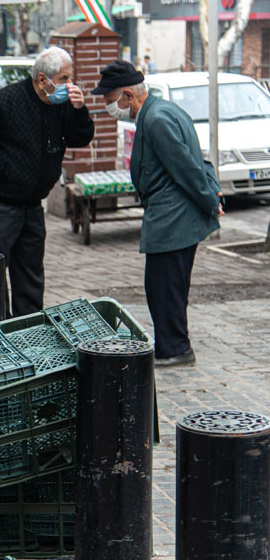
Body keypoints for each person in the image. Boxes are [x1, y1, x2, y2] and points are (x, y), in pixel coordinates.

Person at [92, 60, 223, 367]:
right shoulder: (162, 111)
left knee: (165, 288)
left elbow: (188, 168)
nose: (110, 108)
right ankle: (172, 344)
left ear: (128, 95)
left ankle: (175, 348)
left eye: (110, 101)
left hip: (173, 220)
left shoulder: (156, 119)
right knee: (166, 287)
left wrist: (210, 200)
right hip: (172, 218)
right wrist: (212, 189)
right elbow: (196, 159)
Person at [0, 46, 95, 316]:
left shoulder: (63, 106)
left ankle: (28, 330)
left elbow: (81, 138)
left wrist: (80, 110)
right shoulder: (5, 102)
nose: (70, 85)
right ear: (42, 80)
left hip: (33, 207)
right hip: (1, 205)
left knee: (31, 276)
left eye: (71, 78)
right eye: (64, 79)